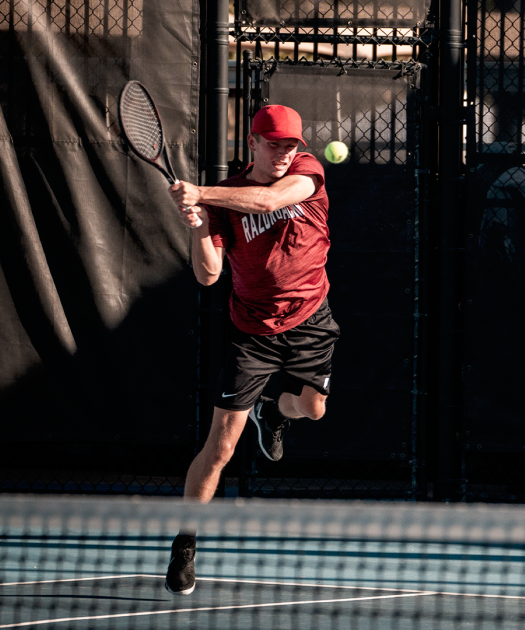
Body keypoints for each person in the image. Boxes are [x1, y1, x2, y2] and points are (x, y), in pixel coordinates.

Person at [163, 104, 340, 595]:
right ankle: (185, 543)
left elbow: (269, 202)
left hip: (311, 318)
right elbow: (208, 274)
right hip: (252, 332)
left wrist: (201, 192)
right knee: (220, 446)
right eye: (274, 143)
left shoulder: (309, 172)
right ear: (252, 144)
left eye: (291, 144)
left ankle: (276, 410)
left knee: (314, 410)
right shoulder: (221, 201)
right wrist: (197, 221)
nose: (284, 153)